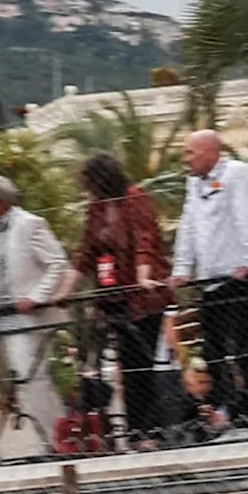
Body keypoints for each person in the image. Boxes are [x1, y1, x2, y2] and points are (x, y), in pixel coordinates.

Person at [0, 175, 77, 458]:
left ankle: (55, 439)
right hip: (5, 317)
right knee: (23, 380)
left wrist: (36, 296)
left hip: (29, 317)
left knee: (32, 377)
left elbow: (57, 264)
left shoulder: (29, 224)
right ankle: (51, 437)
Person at [173, 128, 248, 425]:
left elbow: (244, 215)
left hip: (239, 276)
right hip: (211, 281)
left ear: (209, 151)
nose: (185, 159)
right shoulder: (194, 184)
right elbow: (188, 226)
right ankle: (227, 409)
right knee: (212, 351)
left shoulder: (235, 173)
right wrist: (181, 268)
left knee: (242, 347)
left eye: (190, 152)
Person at [74, 154, 171, 444]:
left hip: (142, 297)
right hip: (114, 297)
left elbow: (145, 241)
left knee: (141, 363)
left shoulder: (134, 199)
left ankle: (150, 432)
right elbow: (86, 252)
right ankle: (137, 430)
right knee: (127, 368)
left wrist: (142, 277)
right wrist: (64, 292)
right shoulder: (97, 209)